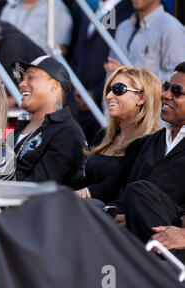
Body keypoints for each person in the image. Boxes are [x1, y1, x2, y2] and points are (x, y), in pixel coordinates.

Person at [92, 62, 185, 257]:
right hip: (138, 240)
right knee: (92, 209)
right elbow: (125, 193)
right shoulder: (149, 143)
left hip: (175, 249)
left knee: (140, 192)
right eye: (166, 87)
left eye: (177, 91)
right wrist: (115, 213)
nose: (166, 95)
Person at [75, 66, 161, 201]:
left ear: (141, 98)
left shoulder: (150, 142)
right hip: (85, 209)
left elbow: (110, 187)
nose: (109, 96)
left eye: (118, 90)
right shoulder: (104, 135)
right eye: (109, 89)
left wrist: (70, 196)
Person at [11, 55, 87, 187]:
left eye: (31, 77)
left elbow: (37, 189)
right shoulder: (21, 124)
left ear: (55, 85)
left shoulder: (67, 134)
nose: (21, 84)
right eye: (22, 79)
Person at [71, 0, 134, 145]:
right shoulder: (90, 11)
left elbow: (120, 61)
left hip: (105, 105)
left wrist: (97, 92)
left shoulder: (129, 12)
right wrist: (76, 89)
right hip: (81, 104)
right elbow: (78, 55)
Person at [105, 0, 185, 83]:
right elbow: (111, 70)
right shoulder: (122, 28)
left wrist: (133, 77)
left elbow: (179, 79)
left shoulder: (172, 28)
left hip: (149, 95)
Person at [0, 0, 73, 55]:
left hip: (39, 66)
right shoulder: (10, 6)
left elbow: (60, 50)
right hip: (8, 59)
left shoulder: (57, 9)